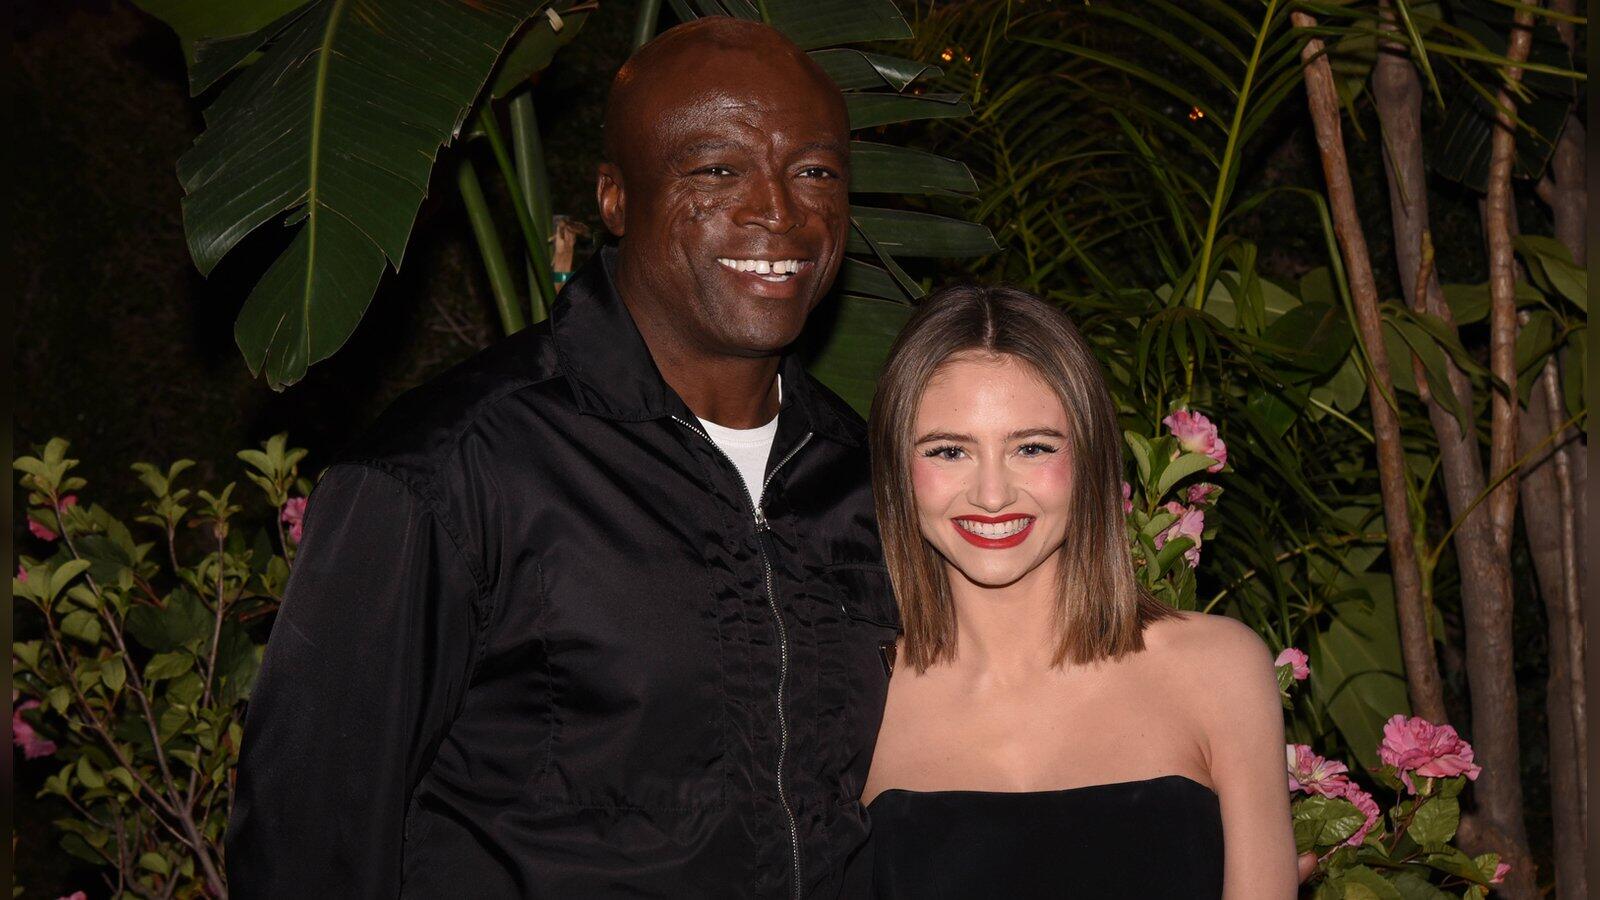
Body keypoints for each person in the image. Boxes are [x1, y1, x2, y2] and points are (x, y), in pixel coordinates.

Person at [226, 18, 902, 898]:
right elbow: (308, 844)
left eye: (814, 172)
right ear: (615, 199)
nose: (778, 210)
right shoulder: (447, 472)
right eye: (716, 170)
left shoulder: (867, 478)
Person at [861, 285, 1298, 898]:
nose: (992, 494)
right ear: (895, 470)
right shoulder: (850, 699)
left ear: (1090, 458)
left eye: (1032, 447)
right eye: (950, 450)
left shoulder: (1218, 671)